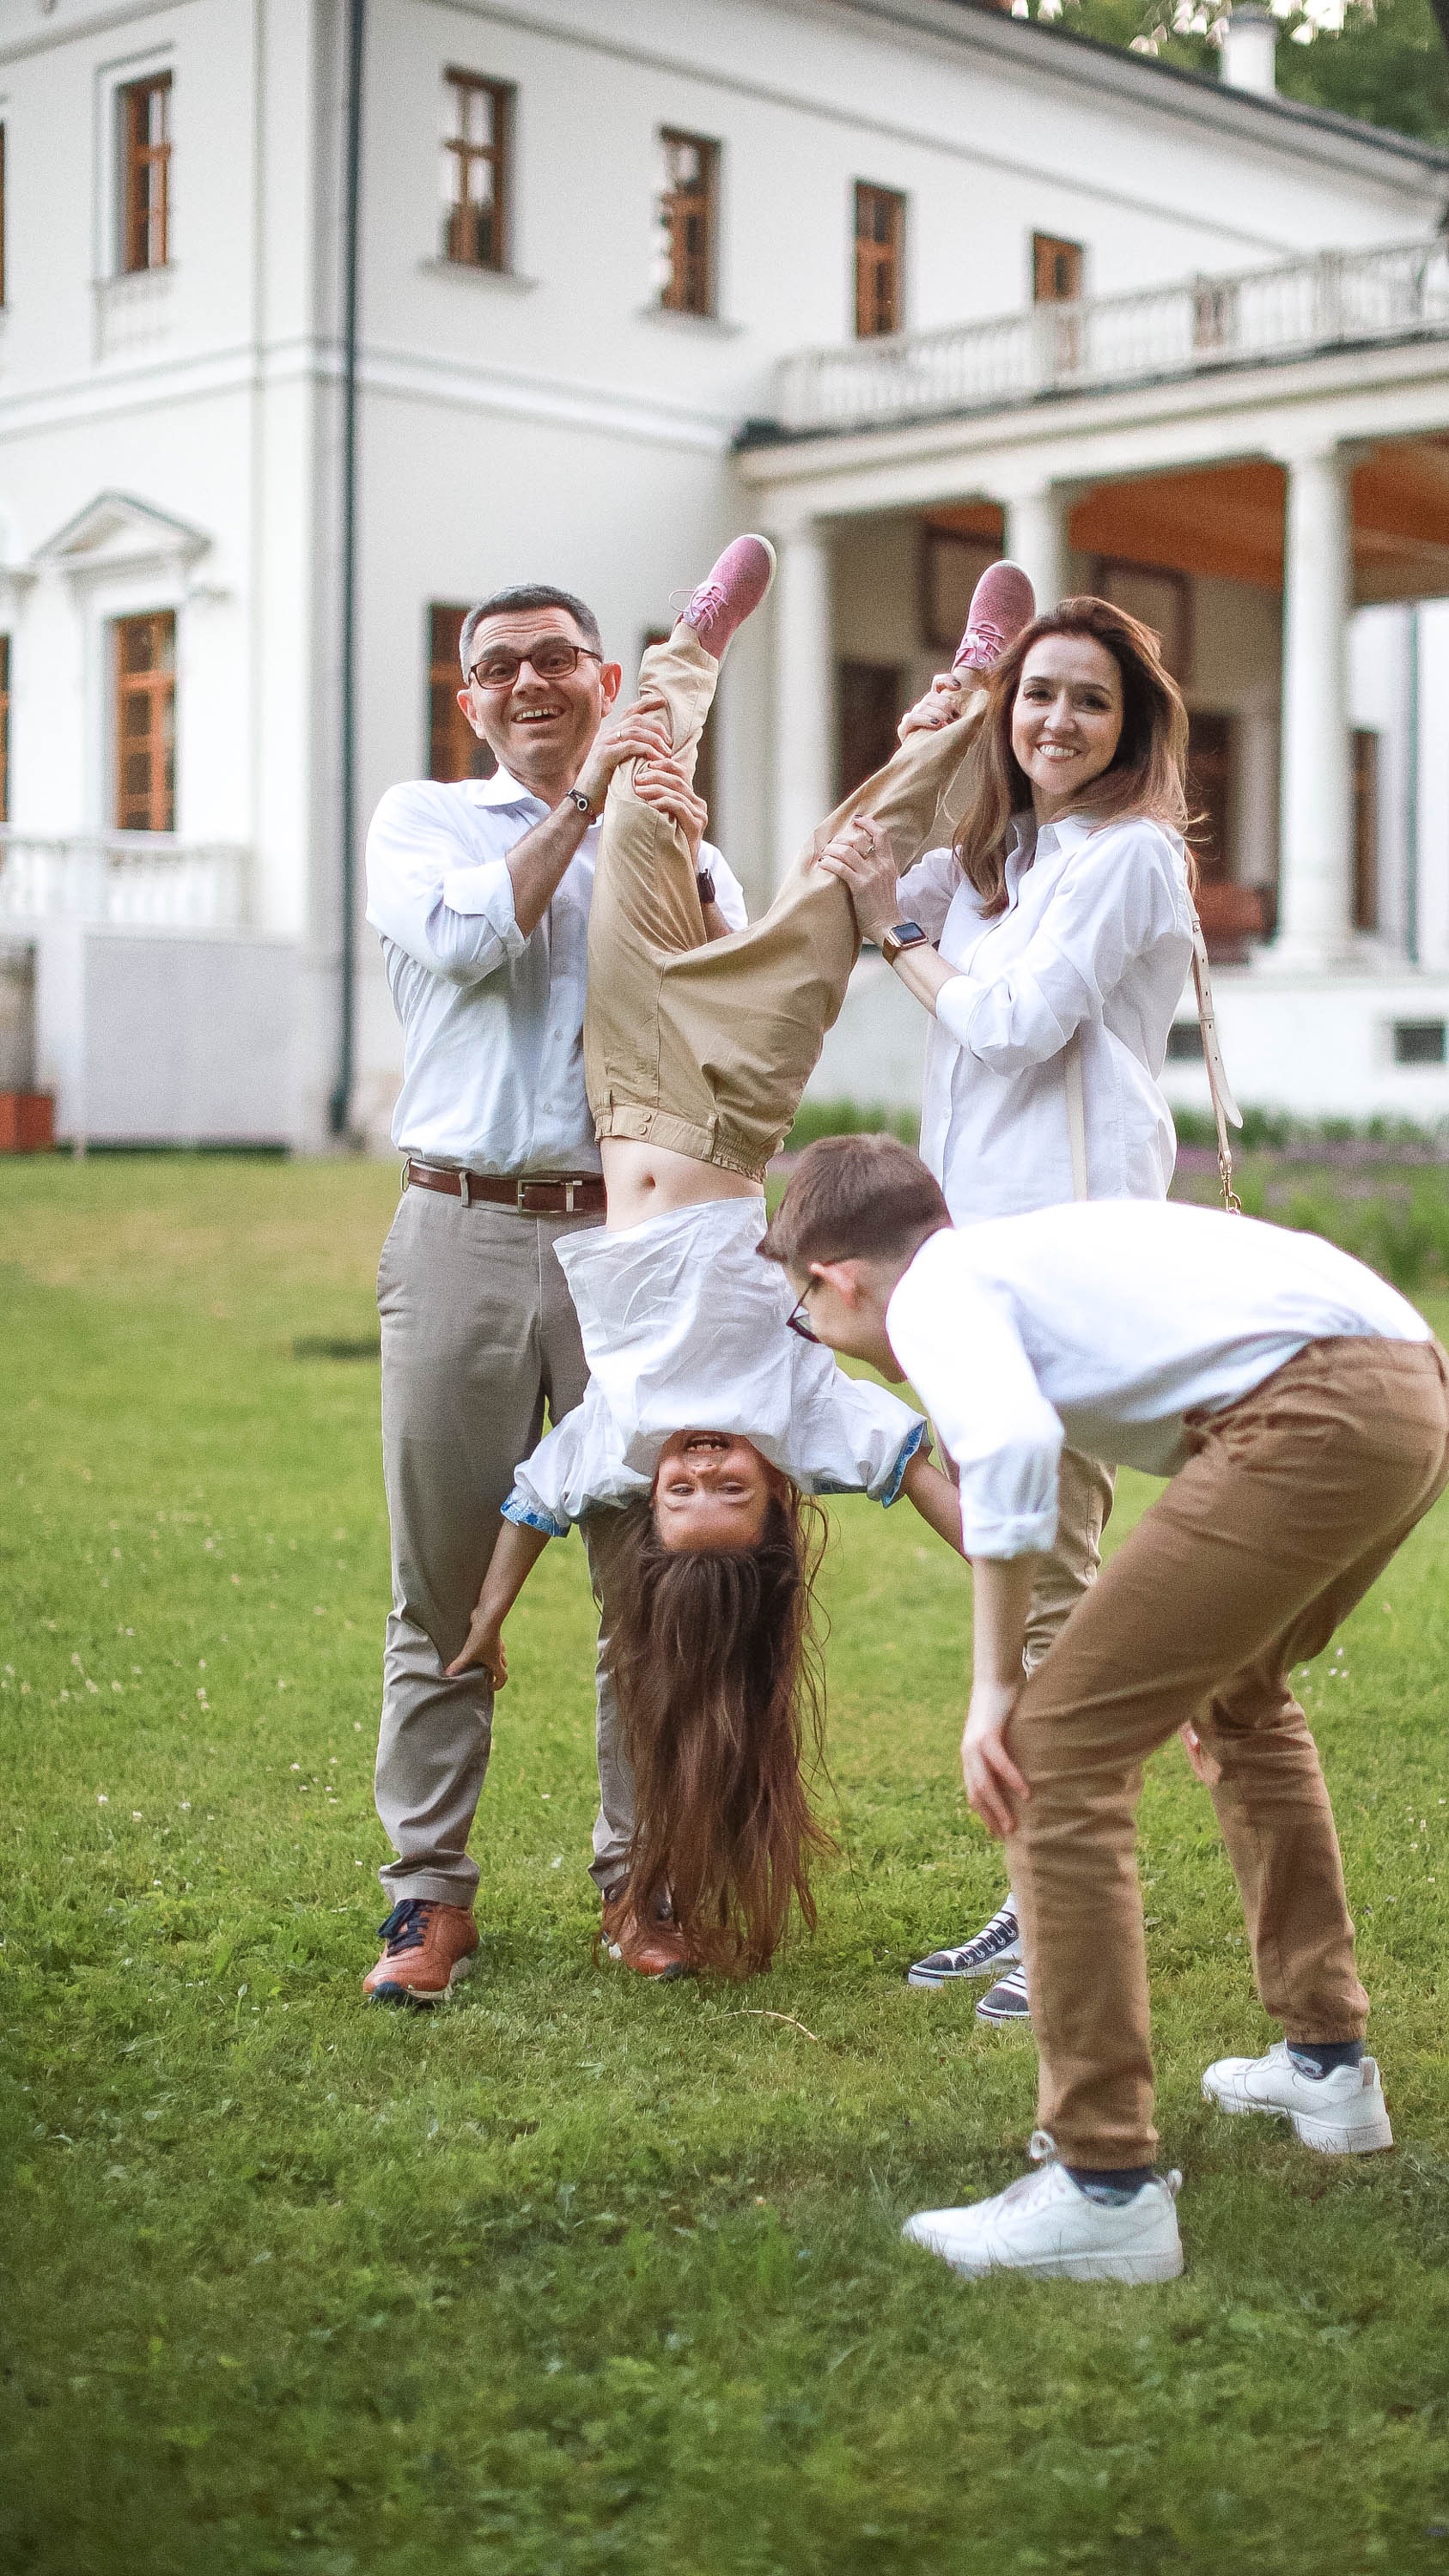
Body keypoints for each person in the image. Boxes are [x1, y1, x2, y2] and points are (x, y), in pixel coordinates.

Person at [447, 542, 1039, 1976]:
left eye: (685, 1493)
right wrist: (1021, 1605)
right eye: (730, 1491)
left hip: (625, 1074)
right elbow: (941, 1492)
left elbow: (528, 1511)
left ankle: (683, 653)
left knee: (644, 812)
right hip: (733, 1107)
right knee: (855, 866)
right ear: (774, 1506)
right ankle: (965, 695)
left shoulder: (617, 1435)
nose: (704, 1465)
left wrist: (483, 1629)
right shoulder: (806, 1417)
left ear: (653, 1509)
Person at [759, 1133, 1449, 2283]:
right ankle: (1328, 2065)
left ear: (836, 1278)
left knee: (1051, 1758)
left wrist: (996, 1688)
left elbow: (1015, 1448)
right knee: (1238, 1700)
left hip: (1322, 1405)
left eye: (804, 1313)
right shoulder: (1007, 1261)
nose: (818, 1335)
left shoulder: (936, 1290)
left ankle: (1104, 2184)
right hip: (1413, 1385)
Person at [361, 579, 748, 2003]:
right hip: (459, 1226)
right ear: (469, 702)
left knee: (646, 1577)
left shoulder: (659, 823)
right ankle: (427, 1899)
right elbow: (472, 943)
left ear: (603, 677)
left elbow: (729, 1010)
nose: (526, 681)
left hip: (626, 1247)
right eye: (496, 666)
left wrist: (687, 858)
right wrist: (583, 809)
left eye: (555, 659)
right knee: (444, 1584)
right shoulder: (425, 822)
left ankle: (642, 1884)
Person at [816, 596, 1199, 2025]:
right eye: (1033, 696)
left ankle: (1063, 1913)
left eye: (1087, 702)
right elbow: (839, 864)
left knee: (1053, 1590)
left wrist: (896, 941)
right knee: (1026, 1574)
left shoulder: (1130, 860)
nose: (1056, 723)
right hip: (974, 1266)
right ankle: (1033, 1891)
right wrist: (929, 732)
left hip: (1073, 1265)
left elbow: (1014, 1023)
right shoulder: (995, 861)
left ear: (1131, 725)